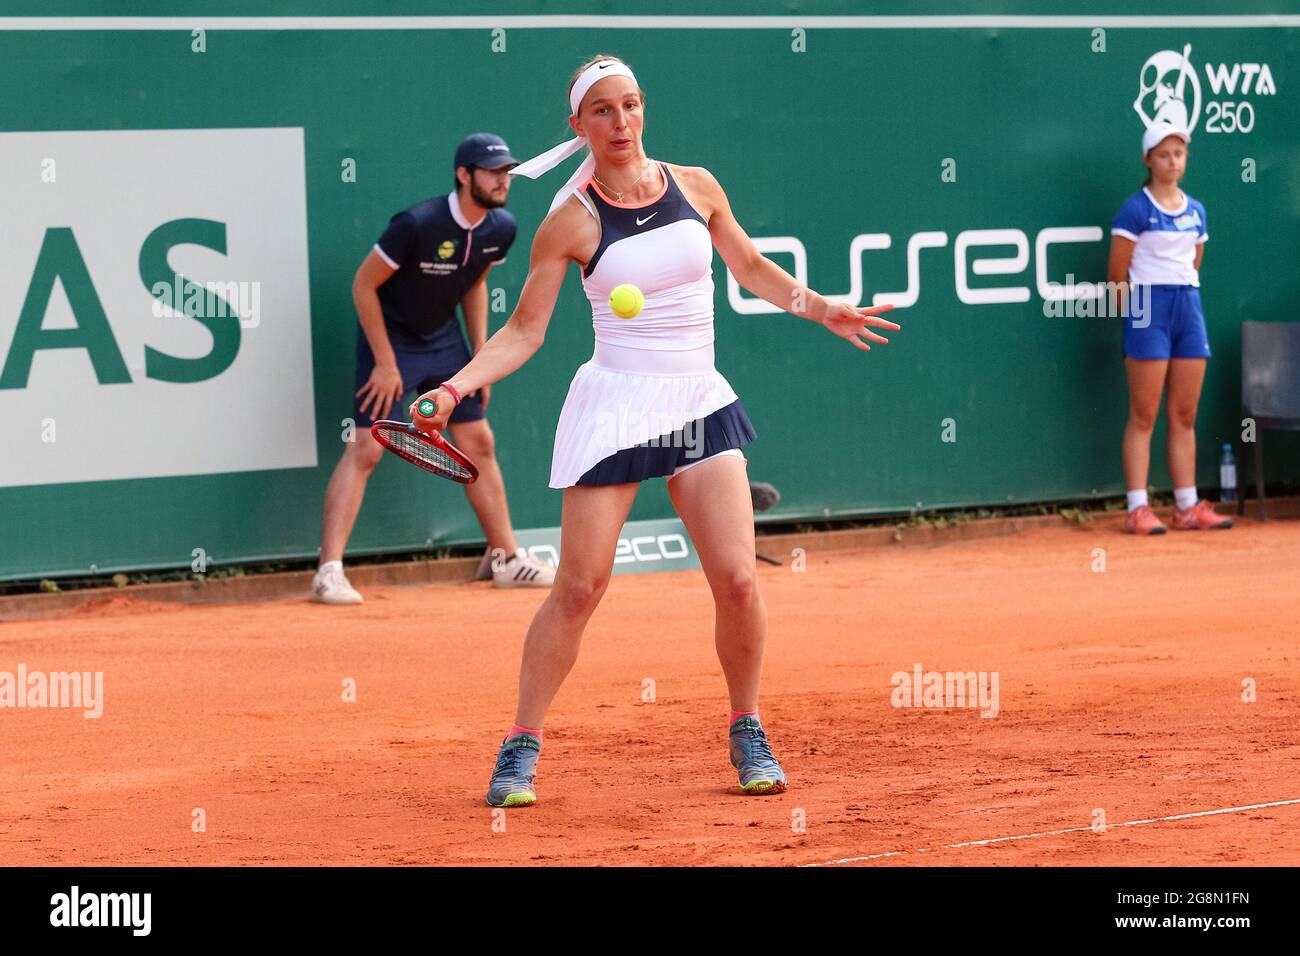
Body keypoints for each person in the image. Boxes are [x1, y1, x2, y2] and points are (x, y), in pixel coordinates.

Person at [410, 55, 900, 806]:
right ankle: (521, 745)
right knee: (578, 589)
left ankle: (747, 725)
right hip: (615, 406)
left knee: (737, 580)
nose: (621, 122)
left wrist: (818, 305)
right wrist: (454, 385)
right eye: (602, 111)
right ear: (578, 127)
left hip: (698, 399)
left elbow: (752, 268)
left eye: (631, 105)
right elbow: (524, 332)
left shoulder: (696, 185)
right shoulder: (569, 221)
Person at [312, 133, 556, 604]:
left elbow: (474, 285)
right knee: (365, 449)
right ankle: (328, 572)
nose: (503, 180)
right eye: (492, 171)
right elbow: (364, 286)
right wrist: (384, 362)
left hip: (445, 342)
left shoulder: (501, 228)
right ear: (464, 175)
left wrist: (480, 359)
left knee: (479, 441)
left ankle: (506, 559)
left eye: (507, 171)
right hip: (393, 339)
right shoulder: (417, 224)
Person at [1109, 121, 1232, 535]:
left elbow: (1193, 264)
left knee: (1184, 412)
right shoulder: (1135, 209)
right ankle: (1137, 508)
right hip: (1148, 307)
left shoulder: (1197, 210)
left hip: (1187, 306)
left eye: (1179, 153)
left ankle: (1186, 505)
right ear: (1148, 160)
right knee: (1144, 414)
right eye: (1163, 154)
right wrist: (1136, 317)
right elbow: (1116, 274)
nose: (1172, 161)